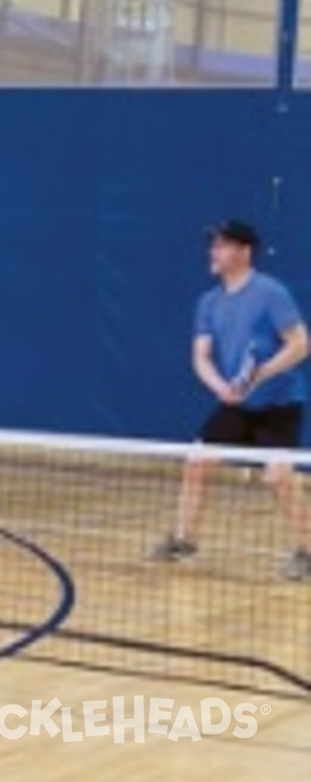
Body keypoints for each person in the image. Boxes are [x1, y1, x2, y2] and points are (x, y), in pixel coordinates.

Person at [154, 220, 311, 580]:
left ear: (244, 252)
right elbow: (201, 356)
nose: (213, 251)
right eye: (214, 244)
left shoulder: (271, 293)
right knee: (195, 463)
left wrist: (260, 374)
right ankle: (183, 540)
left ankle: (308, 551)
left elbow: (301, 343)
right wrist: (221, 387)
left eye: (222, 245)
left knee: (277, 479)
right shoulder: (208, 302)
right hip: (237, 404)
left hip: (280, 404)